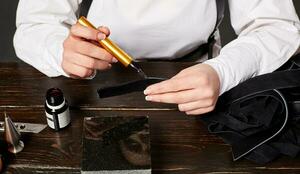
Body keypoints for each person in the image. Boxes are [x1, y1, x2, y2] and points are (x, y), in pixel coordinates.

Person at [14, 0, 300, 115]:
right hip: (97, 85)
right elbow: (32, 27)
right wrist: (59, 50)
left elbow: (276, 26)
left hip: (201, 85)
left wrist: (224, 71)